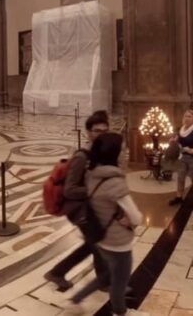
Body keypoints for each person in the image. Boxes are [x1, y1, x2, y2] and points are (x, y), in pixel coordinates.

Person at [66, 132, 143, 316]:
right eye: (123, 150)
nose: (125, 153)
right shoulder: (115, 182)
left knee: (107, 276)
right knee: (119, 282)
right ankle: (120, 312)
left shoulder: (92, 173)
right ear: (114, 154)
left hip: (99, 236)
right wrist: (128, 218)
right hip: (118, 241)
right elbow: (137, 218)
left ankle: (75, 300)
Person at [44, 110, 111, 291]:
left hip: (91, 208)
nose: (101, 135)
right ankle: (103, 282)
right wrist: (95, 190)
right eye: (97, 131)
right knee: (97, 243)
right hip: (79, 210)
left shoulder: (99, 154)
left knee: (94, 243)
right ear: (88, 132)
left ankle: (58, 272)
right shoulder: (82, 157)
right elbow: (70, 190)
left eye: (105, 131)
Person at [169, 109, 193, 205]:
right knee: (180, 178)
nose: (186, 118)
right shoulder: (182, 129)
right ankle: (179, 197)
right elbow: (178, 141)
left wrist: (190, 150)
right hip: (183, 157)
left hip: (192, 158)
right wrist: (173, 141)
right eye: (185, 116)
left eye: (189, 116)